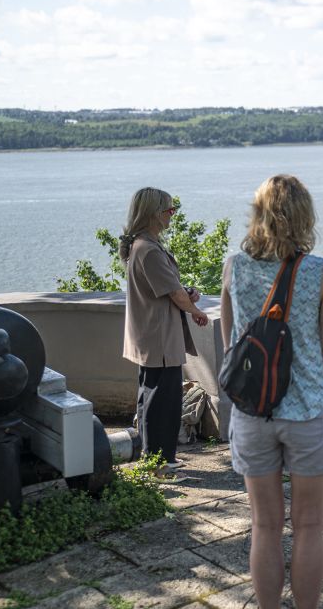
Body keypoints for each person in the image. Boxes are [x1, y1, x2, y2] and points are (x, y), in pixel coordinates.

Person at [220, 175, 323, 609]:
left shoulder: (234, 268)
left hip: (252, 412)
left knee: (264, 525)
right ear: (304, 216)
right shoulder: (321, 272)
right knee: (309, 524)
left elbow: (231, 344)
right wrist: (322, 394)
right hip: (307, 410)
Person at [121, 187, 209, 476]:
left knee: (152, 397)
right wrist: (196, 310)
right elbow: (173, 294)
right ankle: (161, 463)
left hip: (152, 335)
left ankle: (155, 458)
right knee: (163, 402)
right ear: (155, 214)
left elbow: (169, 289)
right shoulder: (148, 250)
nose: (172, 215)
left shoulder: (142, 246)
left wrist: (187, 293)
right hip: (159, 338)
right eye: (170, 210)